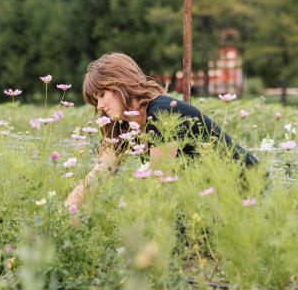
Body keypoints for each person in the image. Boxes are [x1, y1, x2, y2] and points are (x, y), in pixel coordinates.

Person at [65, 52, 258, 207]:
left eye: (102, 94)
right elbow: (105, 169)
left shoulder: (162, 112)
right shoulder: (127, 126)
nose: (99, 106)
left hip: (247, 190)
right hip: (210, 198)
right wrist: (72, 205)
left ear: (121, 83)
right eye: (95, 100)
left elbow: (160, 184)